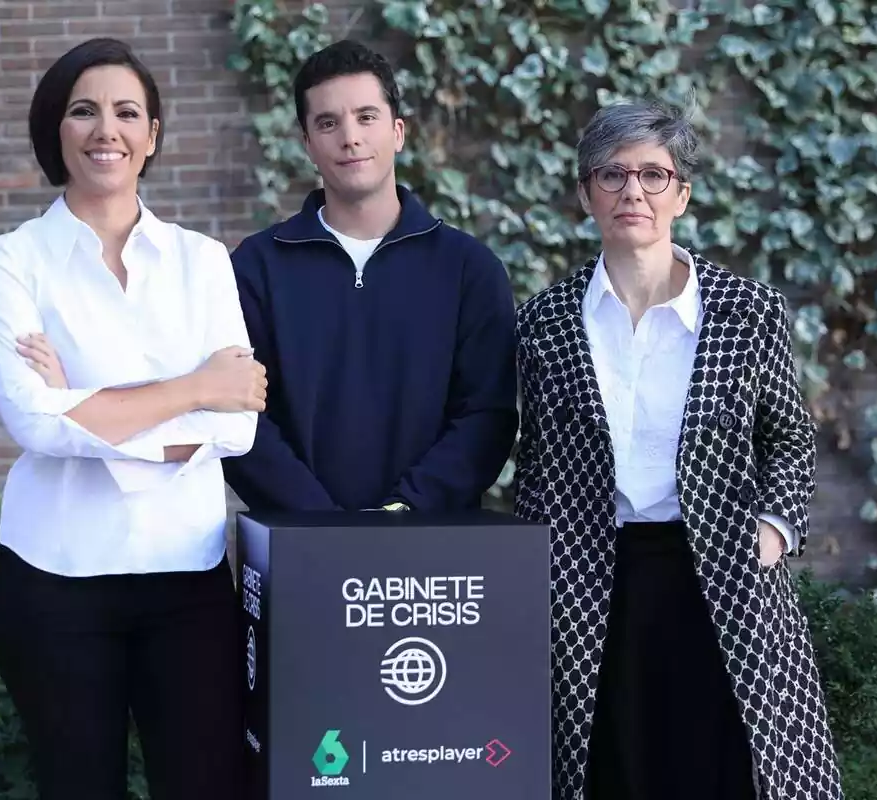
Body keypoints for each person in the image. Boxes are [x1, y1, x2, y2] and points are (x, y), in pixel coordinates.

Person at [512, 99, 844, 800]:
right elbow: (535, 462)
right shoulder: (545, 321)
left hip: (723, 573)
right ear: (584, 194)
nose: (632, 192)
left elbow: (788, 439)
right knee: (609, 767)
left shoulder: (749, 311)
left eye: (653, 175)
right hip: (590, 582)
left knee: (727, 765)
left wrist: (771, 536)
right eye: (612, 174)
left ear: (682, 195)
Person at [0, 37, 264, 800]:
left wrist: (91, 410)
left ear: (153, 135)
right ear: (56, 131)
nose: (107, 129)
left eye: (127, 112)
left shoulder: (203, 261)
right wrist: (195, 386)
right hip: (54, 582)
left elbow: (239, 426)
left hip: (187, 582)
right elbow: (35, 422)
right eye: (84, 111)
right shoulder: (11, 259)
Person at [222, 39, 518, 514]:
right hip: (301, 546)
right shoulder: (255, 267)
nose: (350, 137)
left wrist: (405, 510)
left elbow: (486, 416)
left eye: (366, 116)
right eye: (327, 123)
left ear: (397, 131)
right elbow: (240, 413)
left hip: (431, 548)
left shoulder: (468, 269)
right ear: (308, 145)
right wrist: (324, 523)